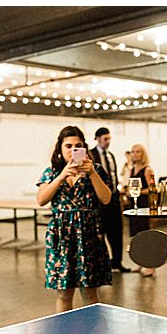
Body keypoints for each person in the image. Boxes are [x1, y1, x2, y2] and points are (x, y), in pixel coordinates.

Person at [35, 124, 112, 313]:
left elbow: (106, 198)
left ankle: (96, 333)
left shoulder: (96, 170)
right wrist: (62, 176)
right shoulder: (52, 172)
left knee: (90, 292)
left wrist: (92, 172)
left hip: (88, 234)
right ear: (60, 149)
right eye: (68, 146)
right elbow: (41, 200)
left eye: (77, 146)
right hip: (62, 236)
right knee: (64, 293)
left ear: (84, 148)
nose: (72, 150)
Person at [90, 127, 129, 272]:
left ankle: (117, 262)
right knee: (100, 232)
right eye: (105, 139)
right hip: (99, 201)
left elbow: (113, 176)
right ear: (97, 139)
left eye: (109, 139)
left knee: (117, 231)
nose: (108, 142)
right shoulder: (91, 155)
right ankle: (102, 264)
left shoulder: (111, 156)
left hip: (114, 198)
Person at [126, 144, 158, 276]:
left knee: (146, 236)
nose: (135, 154)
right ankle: (140, 262)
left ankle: (150, 265)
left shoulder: (147, 170)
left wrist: (138, 192)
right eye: (133, 152)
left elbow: (153, 188)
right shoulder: (132, 169)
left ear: (142, 154)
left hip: (145, 205)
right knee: (137, 236)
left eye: (138, 152)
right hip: (135, 205)